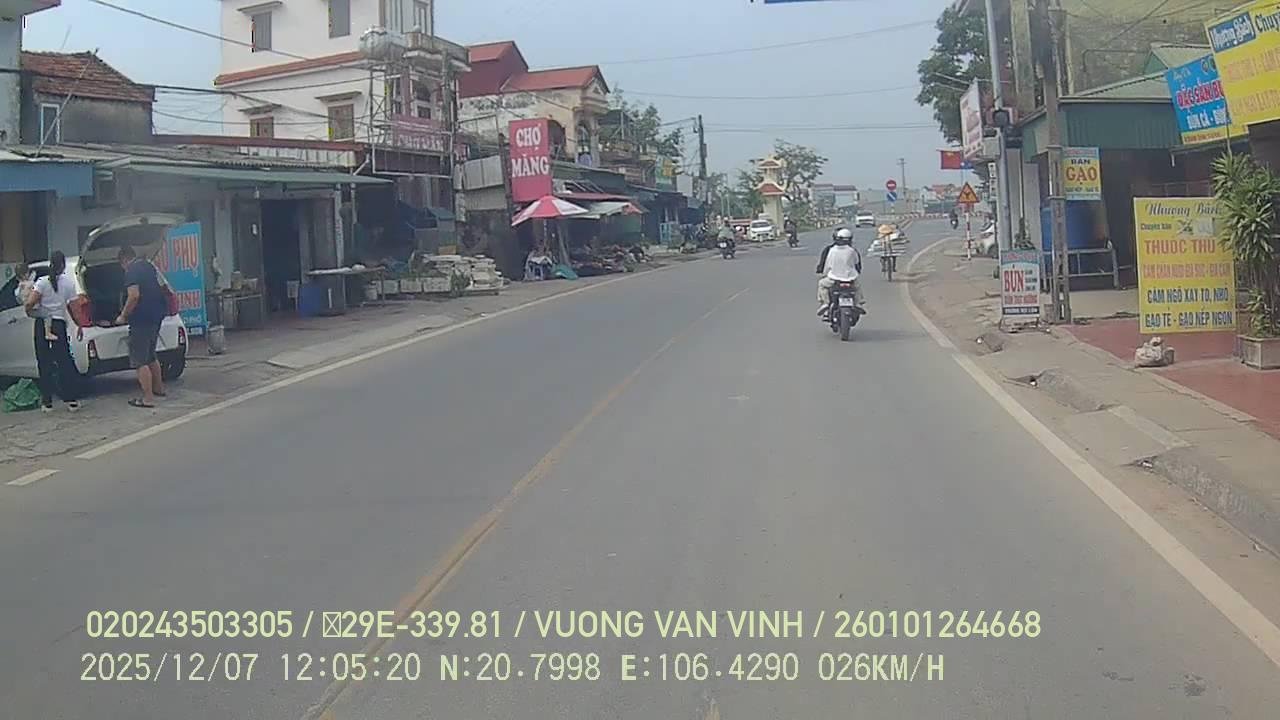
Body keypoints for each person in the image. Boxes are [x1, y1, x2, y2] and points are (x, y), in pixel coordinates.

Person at [23, 252, 81, 412]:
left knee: (44, 362)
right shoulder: (69, 284)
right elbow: (75, 308)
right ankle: (71, 399)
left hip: (42, 324)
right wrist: (80, 325)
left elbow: (30, 302)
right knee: (64, 361)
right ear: (63, 265)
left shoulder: (42, 282)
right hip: (59, 324)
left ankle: (47, 401)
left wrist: (29, 310)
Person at [115, 244, 168, 409]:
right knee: (151, 355)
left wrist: (123, 316)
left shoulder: (132, 271)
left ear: (124, 260)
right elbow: (163, 287)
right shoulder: (149, 266)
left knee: (139, 360)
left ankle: (148, 398)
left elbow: (134, 296)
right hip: (156, 317)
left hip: (141, 320)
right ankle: (159, 389)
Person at [816, 228, 865, 316]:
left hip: (834, 279)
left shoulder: (831, 250)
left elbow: (827, 265)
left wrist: (824, 273)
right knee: (857, 287)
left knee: (822, 284)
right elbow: (857, 263)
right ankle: (858, 303)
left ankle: (825, 303)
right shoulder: (852, 250)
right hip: (850, 279)